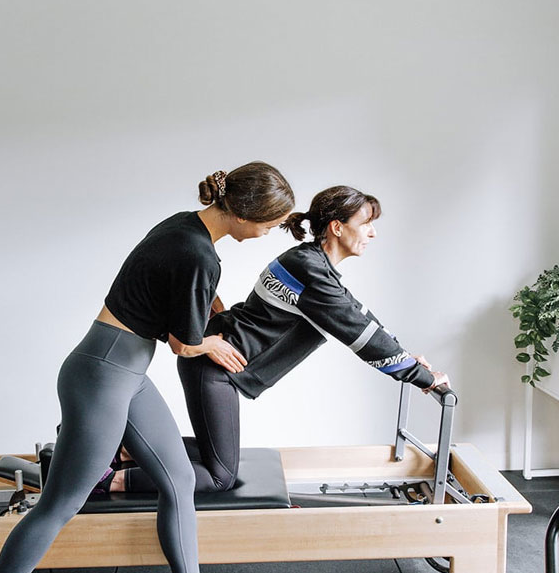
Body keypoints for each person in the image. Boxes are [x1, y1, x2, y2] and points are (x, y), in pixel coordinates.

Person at [0, 162, 294, 573]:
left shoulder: (184, 226)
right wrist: (214, 346)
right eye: (270, 223)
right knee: (59, 504)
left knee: (179, 479)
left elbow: (194, 297)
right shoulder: (199, 253)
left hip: (124, 372)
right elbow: (183, 344)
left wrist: (216, 322)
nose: (270, 231)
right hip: (102, 376)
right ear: (247, 213)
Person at [111, 185, 448, 495]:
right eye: (366, 224)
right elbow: (361, 335)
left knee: (217, 453)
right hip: (215, 369)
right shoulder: (311, 271)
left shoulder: (309, 263)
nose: (372, 233)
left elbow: (359, 315)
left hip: (217, 365)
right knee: (220, 477)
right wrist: (424, 379)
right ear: (337, 227)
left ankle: (124, 448)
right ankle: (110, 480)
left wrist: (410, 361)